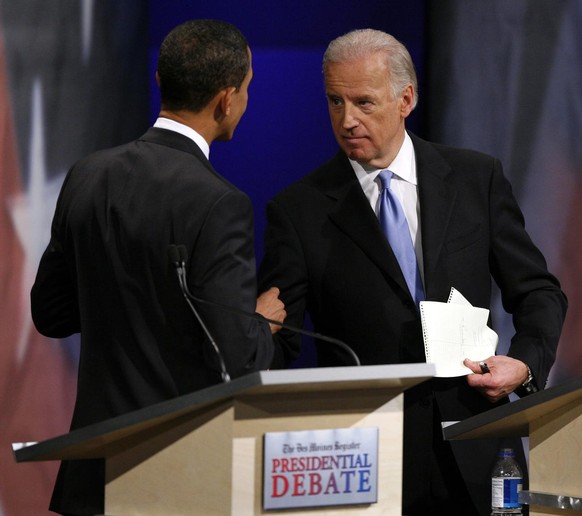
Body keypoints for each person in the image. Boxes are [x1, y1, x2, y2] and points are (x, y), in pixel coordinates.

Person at [258, 28, 567, 515]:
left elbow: (539, 293)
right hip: (363, 457)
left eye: (363, 102)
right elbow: (279, 340)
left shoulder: (474, 178)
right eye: (334, 102)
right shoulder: (298, 211)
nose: (347, 119)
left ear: (406, 98)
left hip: (476, 437)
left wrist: (524, 365)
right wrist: (251, 337)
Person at [31, 19, 286, 515]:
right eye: (249, 89)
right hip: (176, 480)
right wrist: (262, 323)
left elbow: (51, 314)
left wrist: (123, 302)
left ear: (159, 83)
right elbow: (238, 361)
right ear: (227, 98)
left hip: (94, 477)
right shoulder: (219, 203)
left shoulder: (88, 175)